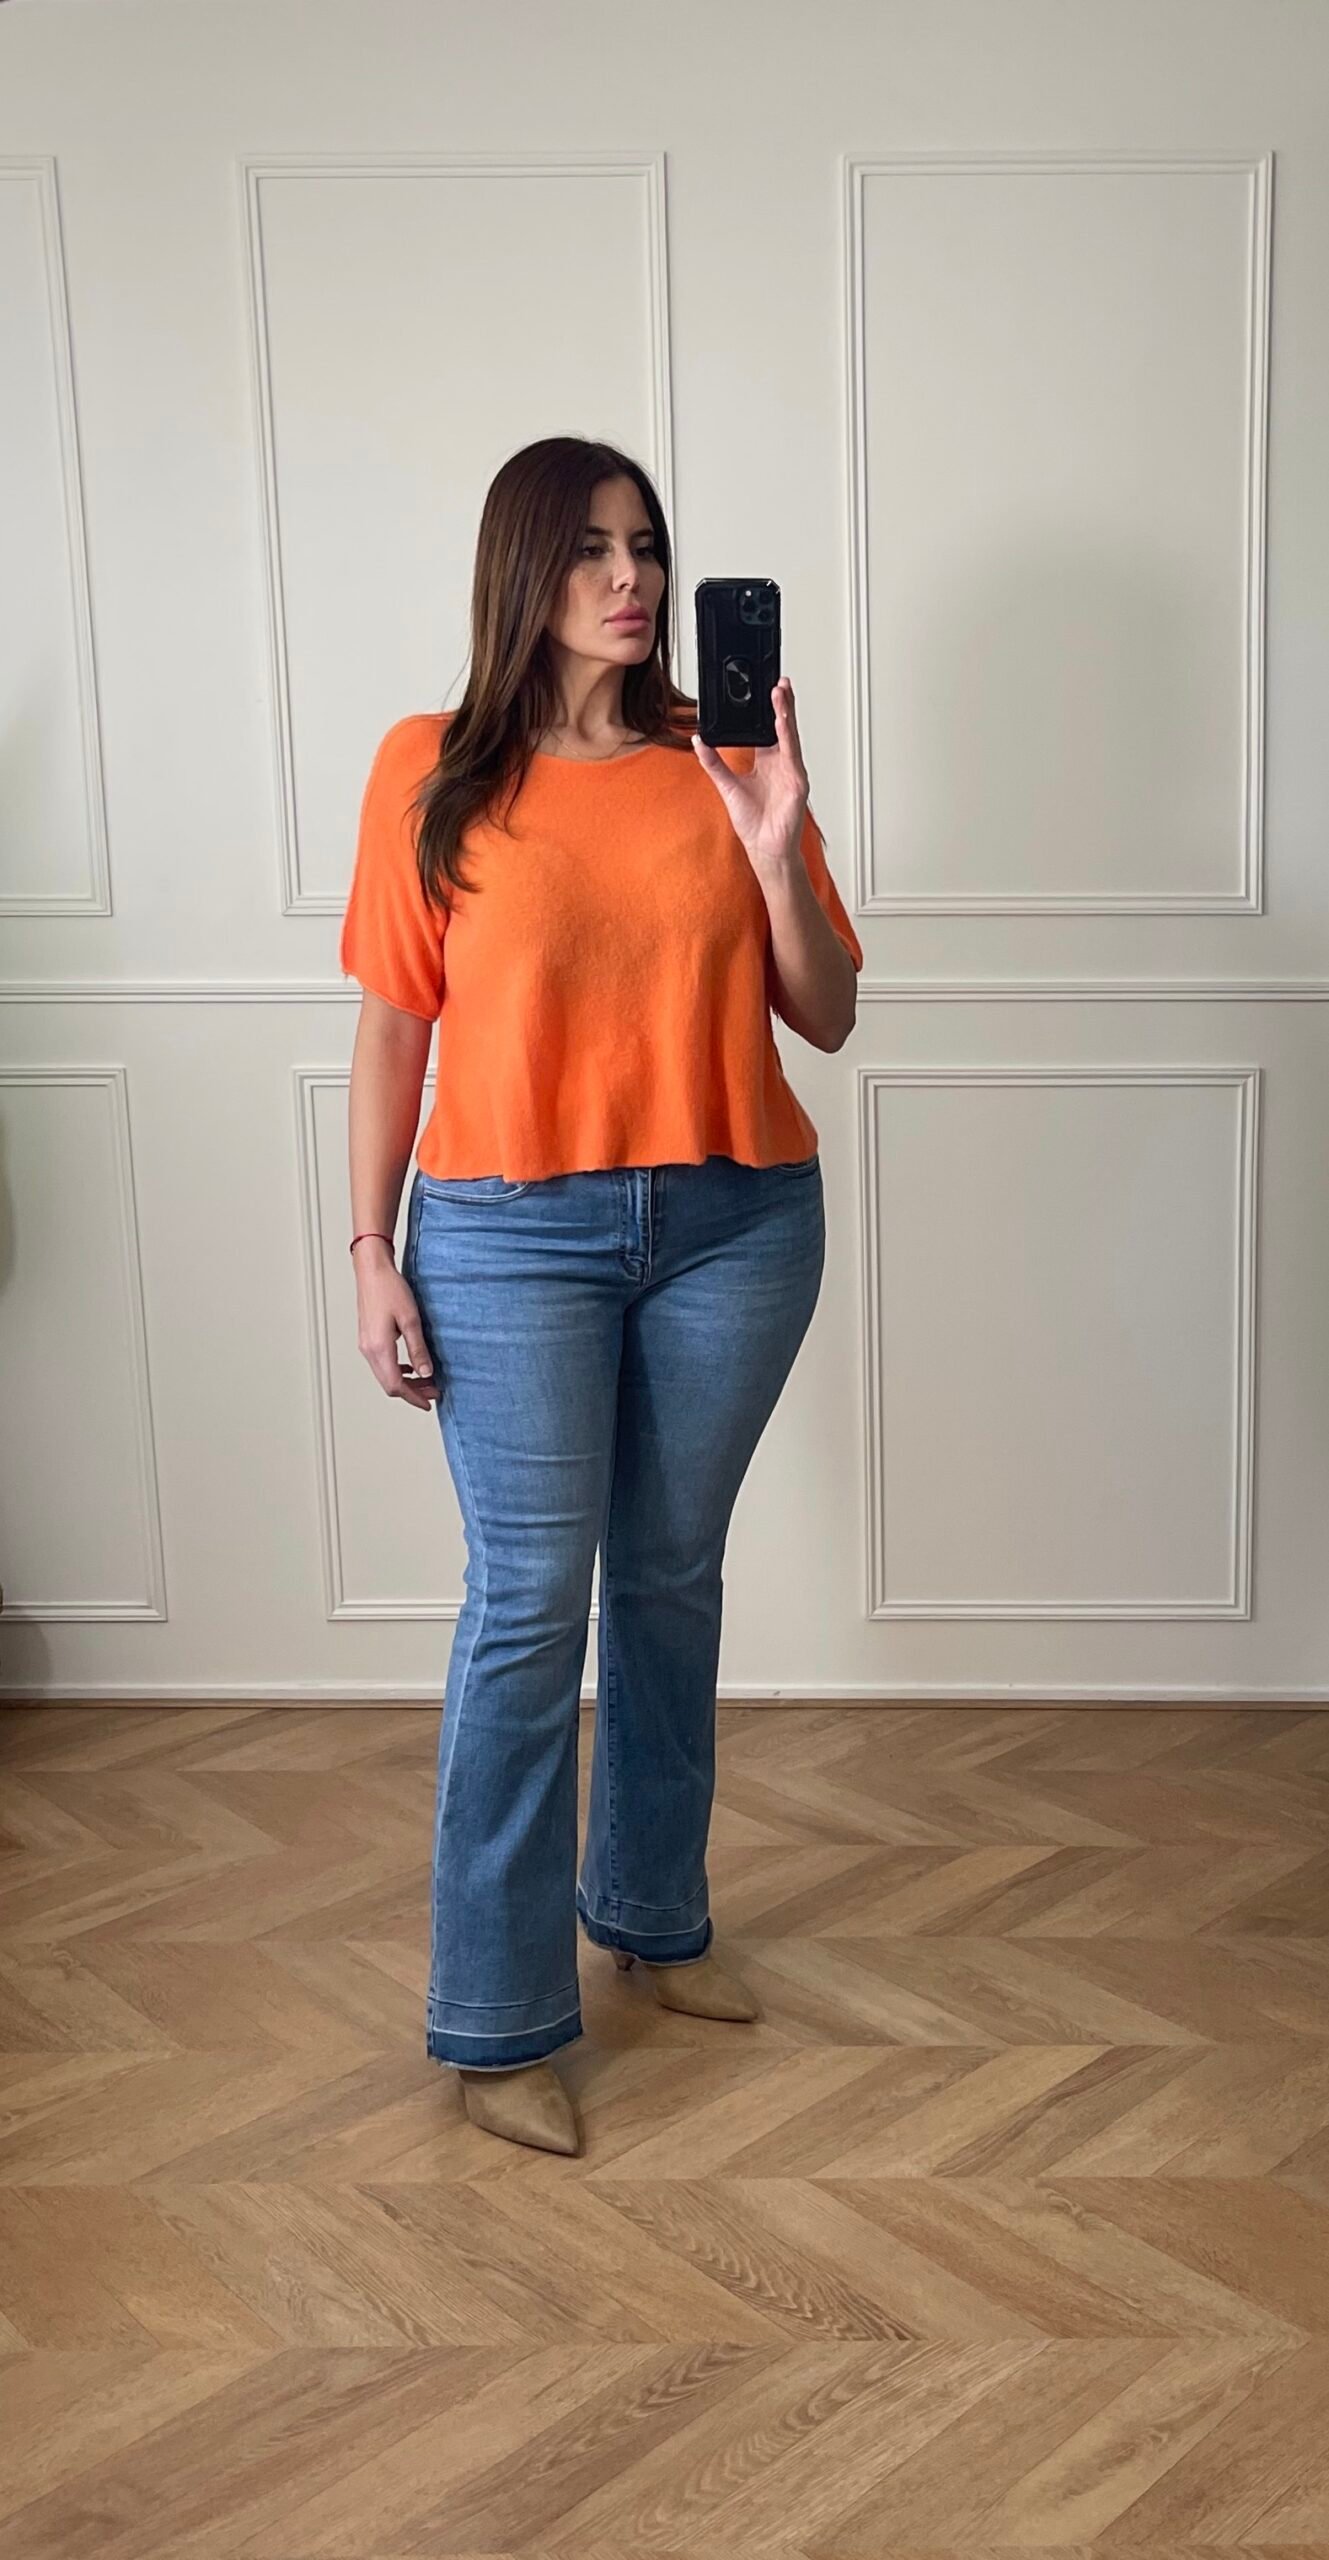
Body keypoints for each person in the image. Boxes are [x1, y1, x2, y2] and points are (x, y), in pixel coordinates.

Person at [340, 434, 863, 2156]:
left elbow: (826, 1014)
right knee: (525, 1606)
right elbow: (394, 1029)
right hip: (505, 1235)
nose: (629, 578)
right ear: (523, 571)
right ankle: (496, 2022)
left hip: (733, 1221)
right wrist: (369, 1251)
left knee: (665, 1578)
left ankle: (649, 1916)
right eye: (588, 549)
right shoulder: (429, 768)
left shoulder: (722, 757)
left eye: (644, 545)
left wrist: (773, 843)